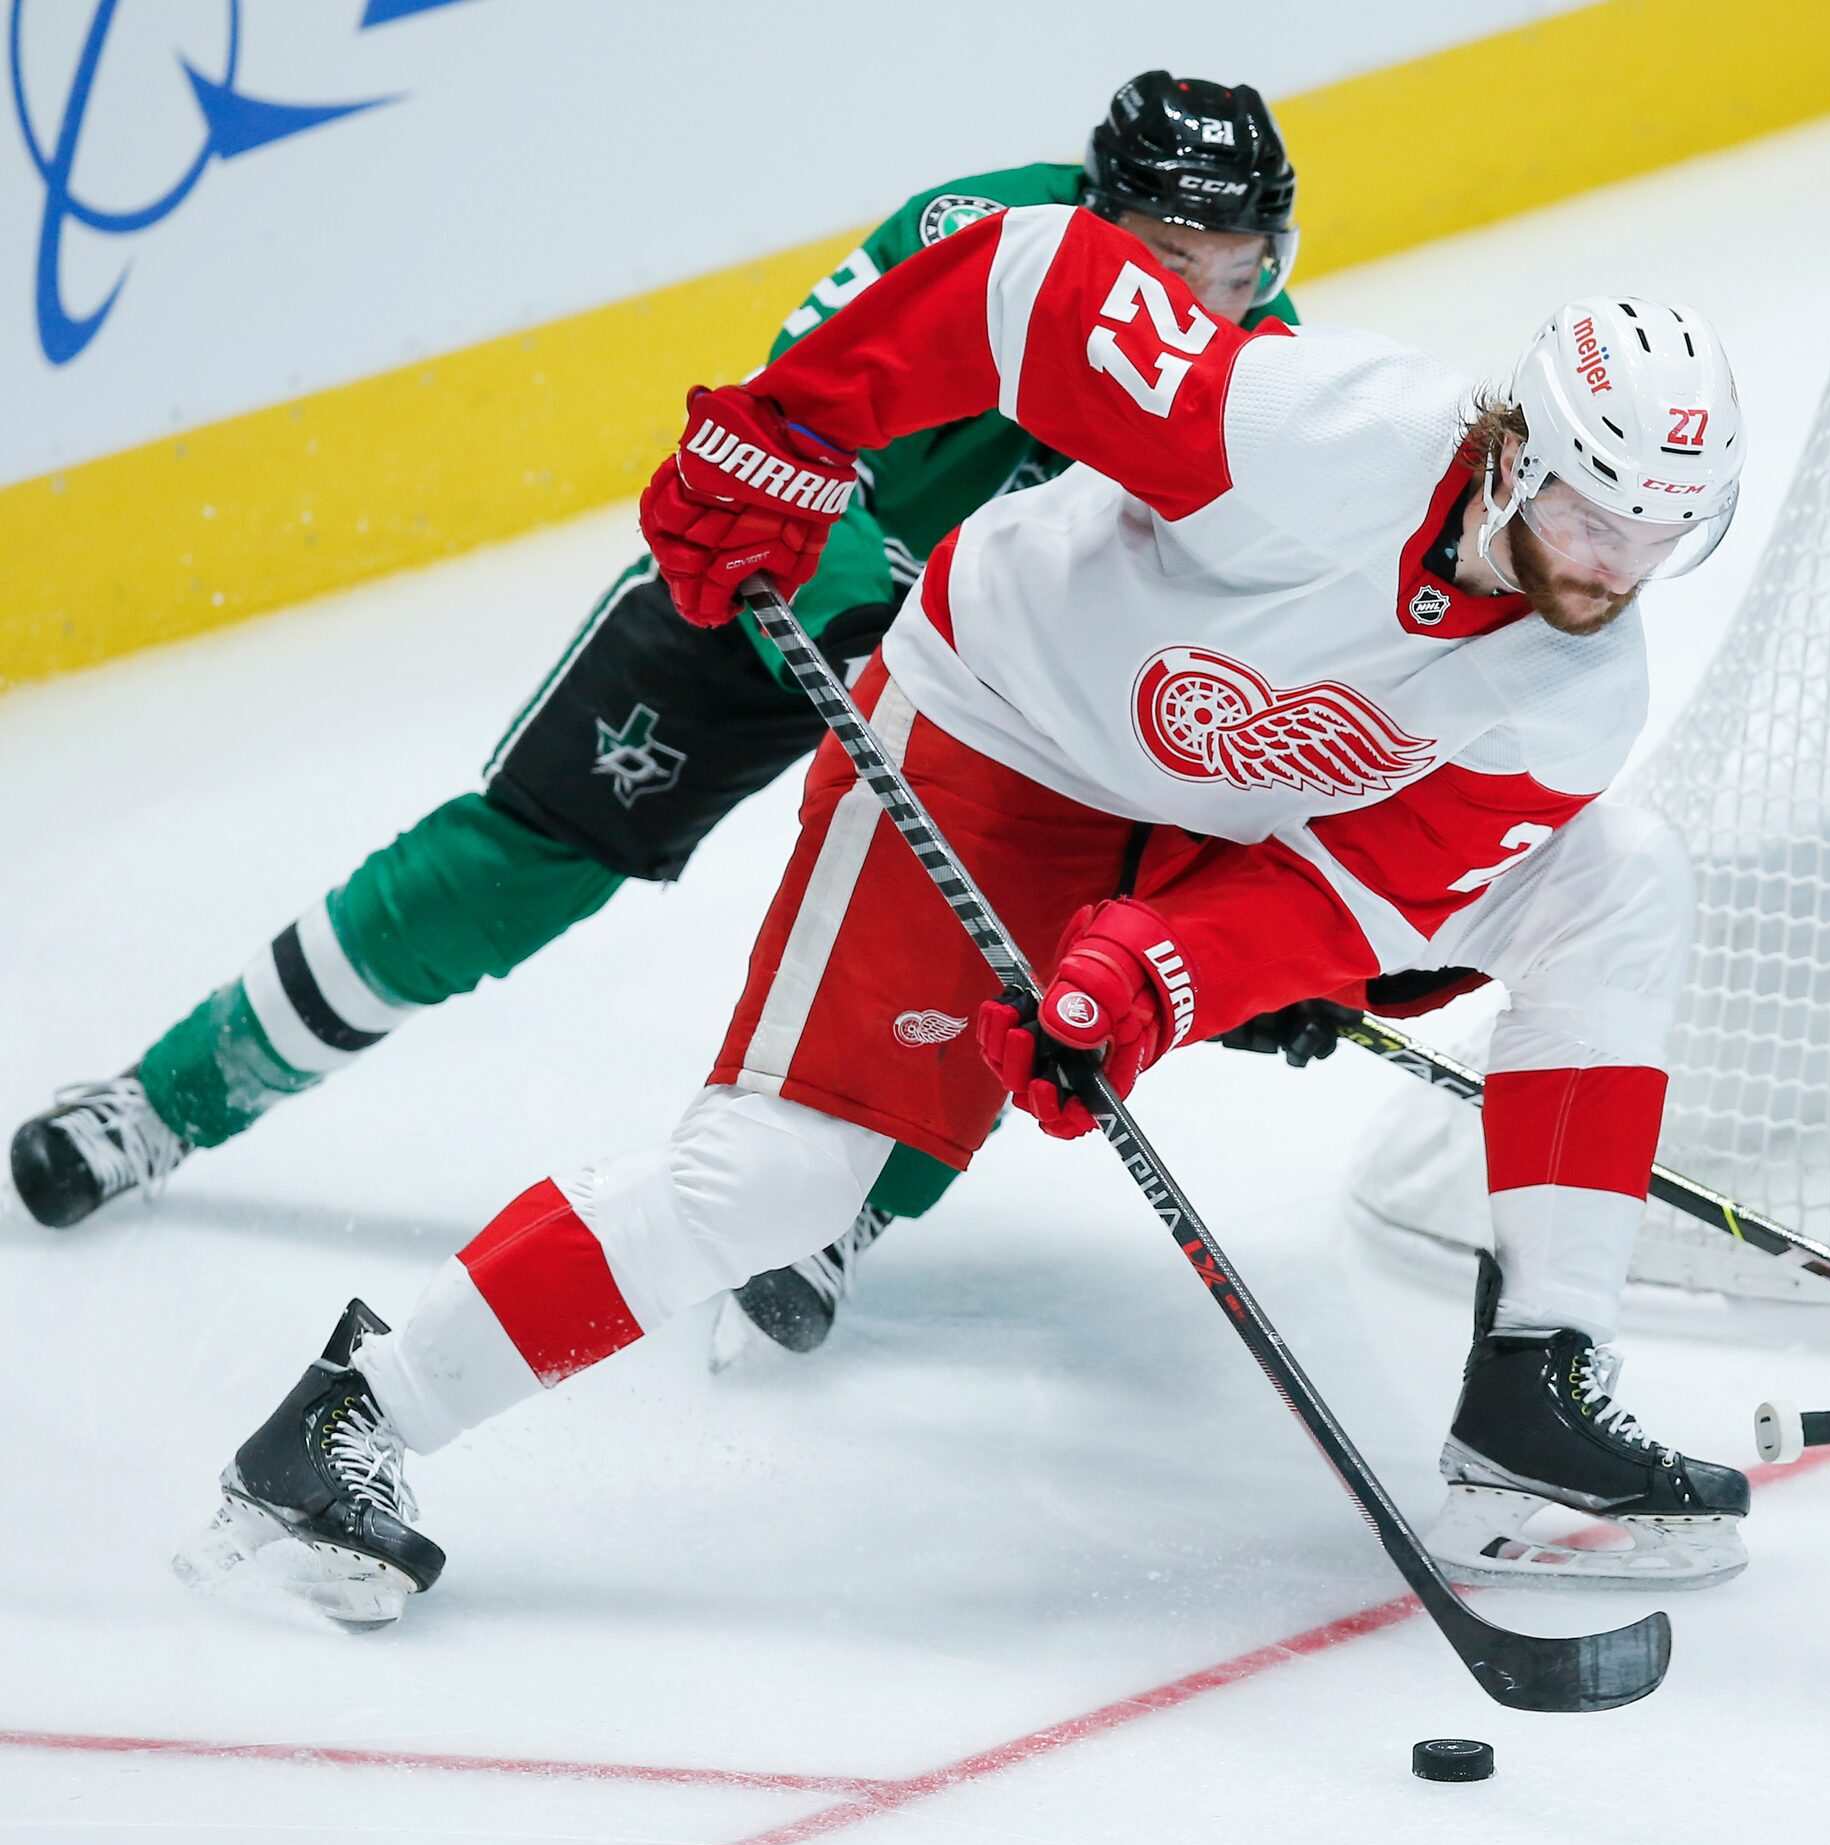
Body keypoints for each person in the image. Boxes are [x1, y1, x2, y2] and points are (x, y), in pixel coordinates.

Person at [174, 190, 1759, 1628]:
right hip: (995, 735)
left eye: (1657, 537)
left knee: (1617, 875)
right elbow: (1027, 282)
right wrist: (792, 426)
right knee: (781, 1177)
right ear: (1513, 454)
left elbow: (1354, 884)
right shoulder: (1321, 433)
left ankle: (1532, 1394)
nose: (1614, 567)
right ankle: (350, 1417)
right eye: (1592, 515)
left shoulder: (1575, 691)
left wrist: (1164, 975)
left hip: (1224, 814)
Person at [12, 71, 1302, 1358]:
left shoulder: (1275, 379)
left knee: (1013, 948)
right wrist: (862, 611)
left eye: (1234, 269)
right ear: (1096, 218)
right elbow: (779, 421)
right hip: (803, 594)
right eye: (1170, 258)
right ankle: (168, 1099)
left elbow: (1249, 649)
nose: (1201, 302)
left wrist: (1254, 916)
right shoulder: (975, 236)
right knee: (520, 857)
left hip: (1006, 691)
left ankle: (845, 1208)